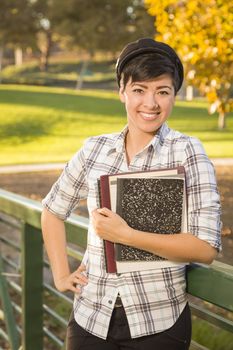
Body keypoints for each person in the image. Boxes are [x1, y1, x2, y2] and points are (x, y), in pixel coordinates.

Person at [41, 38, 222, 350]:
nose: (150, 103)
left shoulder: (188, 151)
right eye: (139, 89)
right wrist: (60, 275)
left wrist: (125, 235)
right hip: (90, 317)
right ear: (122, 91)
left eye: (162, 91)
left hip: (158, 323)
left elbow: (205, 248)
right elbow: (52, 210)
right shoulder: (93, 149)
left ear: (173, 96)